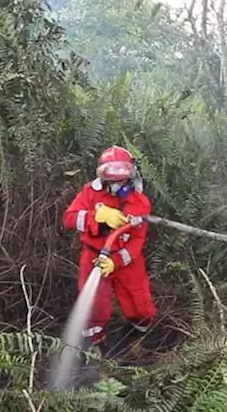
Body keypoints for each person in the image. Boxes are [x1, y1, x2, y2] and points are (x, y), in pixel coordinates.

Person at [61, 145, 156, 350]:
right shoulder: (90, 193)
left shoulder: (140, 203)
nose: (117, 185)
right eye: (112, 180)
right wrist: (95, 217)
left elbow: (137, 240)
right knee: (94, 307)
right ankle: (97, 349)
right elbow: (69, 219)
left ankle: (129, 342)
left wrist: (117, 261)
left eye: (122, 180)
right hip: (94, 257)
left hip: (126, 260)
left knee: (142, 307)